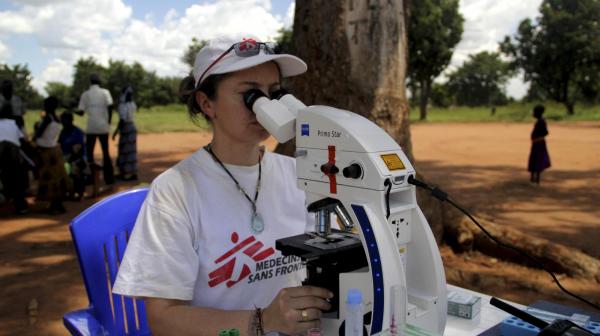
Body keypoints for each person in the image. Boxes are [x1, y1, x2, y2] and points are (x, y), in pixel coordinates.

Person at [113, 37, 331, 335]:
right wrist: (262, 322)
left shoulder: (299, 174)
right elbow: (163, 319)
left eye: (275, 94)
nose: (265, 107)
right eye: (251, 95)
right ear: (207, 103)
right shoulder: (176, 190)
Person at [75, 73, 115, 186]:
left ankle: (91, 178)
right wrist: (109, 121)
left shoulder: (85, 94)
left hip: (91, 127)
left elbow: (81, 112)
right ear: (99, 82)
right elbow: (110, 106)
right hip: (103, 126)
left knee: (90, 154)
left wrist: (72, 109)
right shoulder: (105, 92)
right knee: (105, 153)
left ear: (90, 82)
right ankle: (109, 178)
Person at [33, 96, 69, 214]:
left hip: (46, 151)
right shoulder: (57, 118)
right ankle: (58, 204)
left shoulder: (48, 118)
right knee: (56, 178)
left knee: (48, 178)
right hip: (55, 149)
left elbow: (38, 134)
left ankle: (54, 206)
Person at [0, 102, 29, 214]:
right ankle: (21, 206)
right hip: (13, 155)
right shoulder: (14, 123)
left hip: (3, 154)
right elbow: (22, 141)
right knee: (17, 180)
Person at [58, 112, 88, 200]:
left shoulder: (77, 132)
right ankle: (65, 191)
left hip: (78, 157)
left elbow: (77, 150)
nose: (63, 123)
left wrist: (67, 160)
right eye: (62, 121)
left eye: (65, 120)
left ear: (71, 121)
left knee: (75, 167)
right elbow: (59, 145)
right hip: (66, 157)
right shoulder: (63, 132)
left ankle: (79, 192)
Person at [113, 86, 138, 181]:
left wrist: (116, 132)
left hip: (126, 128)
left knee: (124, 150)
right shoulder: (132, 104)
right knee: (131, 150)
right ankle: (132, 172)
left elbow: (122, 120)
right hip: (132, 127)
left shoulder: (122, 106)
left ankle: (125, 173)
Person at [528, 104, 551, 184]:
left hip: (539, 143)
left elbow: (546, 132)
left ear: (538, 112)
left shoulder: (541, 121)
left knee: (537, 160)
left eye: (534, 112)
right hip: (536, 143)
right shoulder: (540, 120)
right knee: (534, 159)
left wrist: (538, 138)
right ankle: (533, 178)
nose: (533, 113)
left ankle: (536, 179)